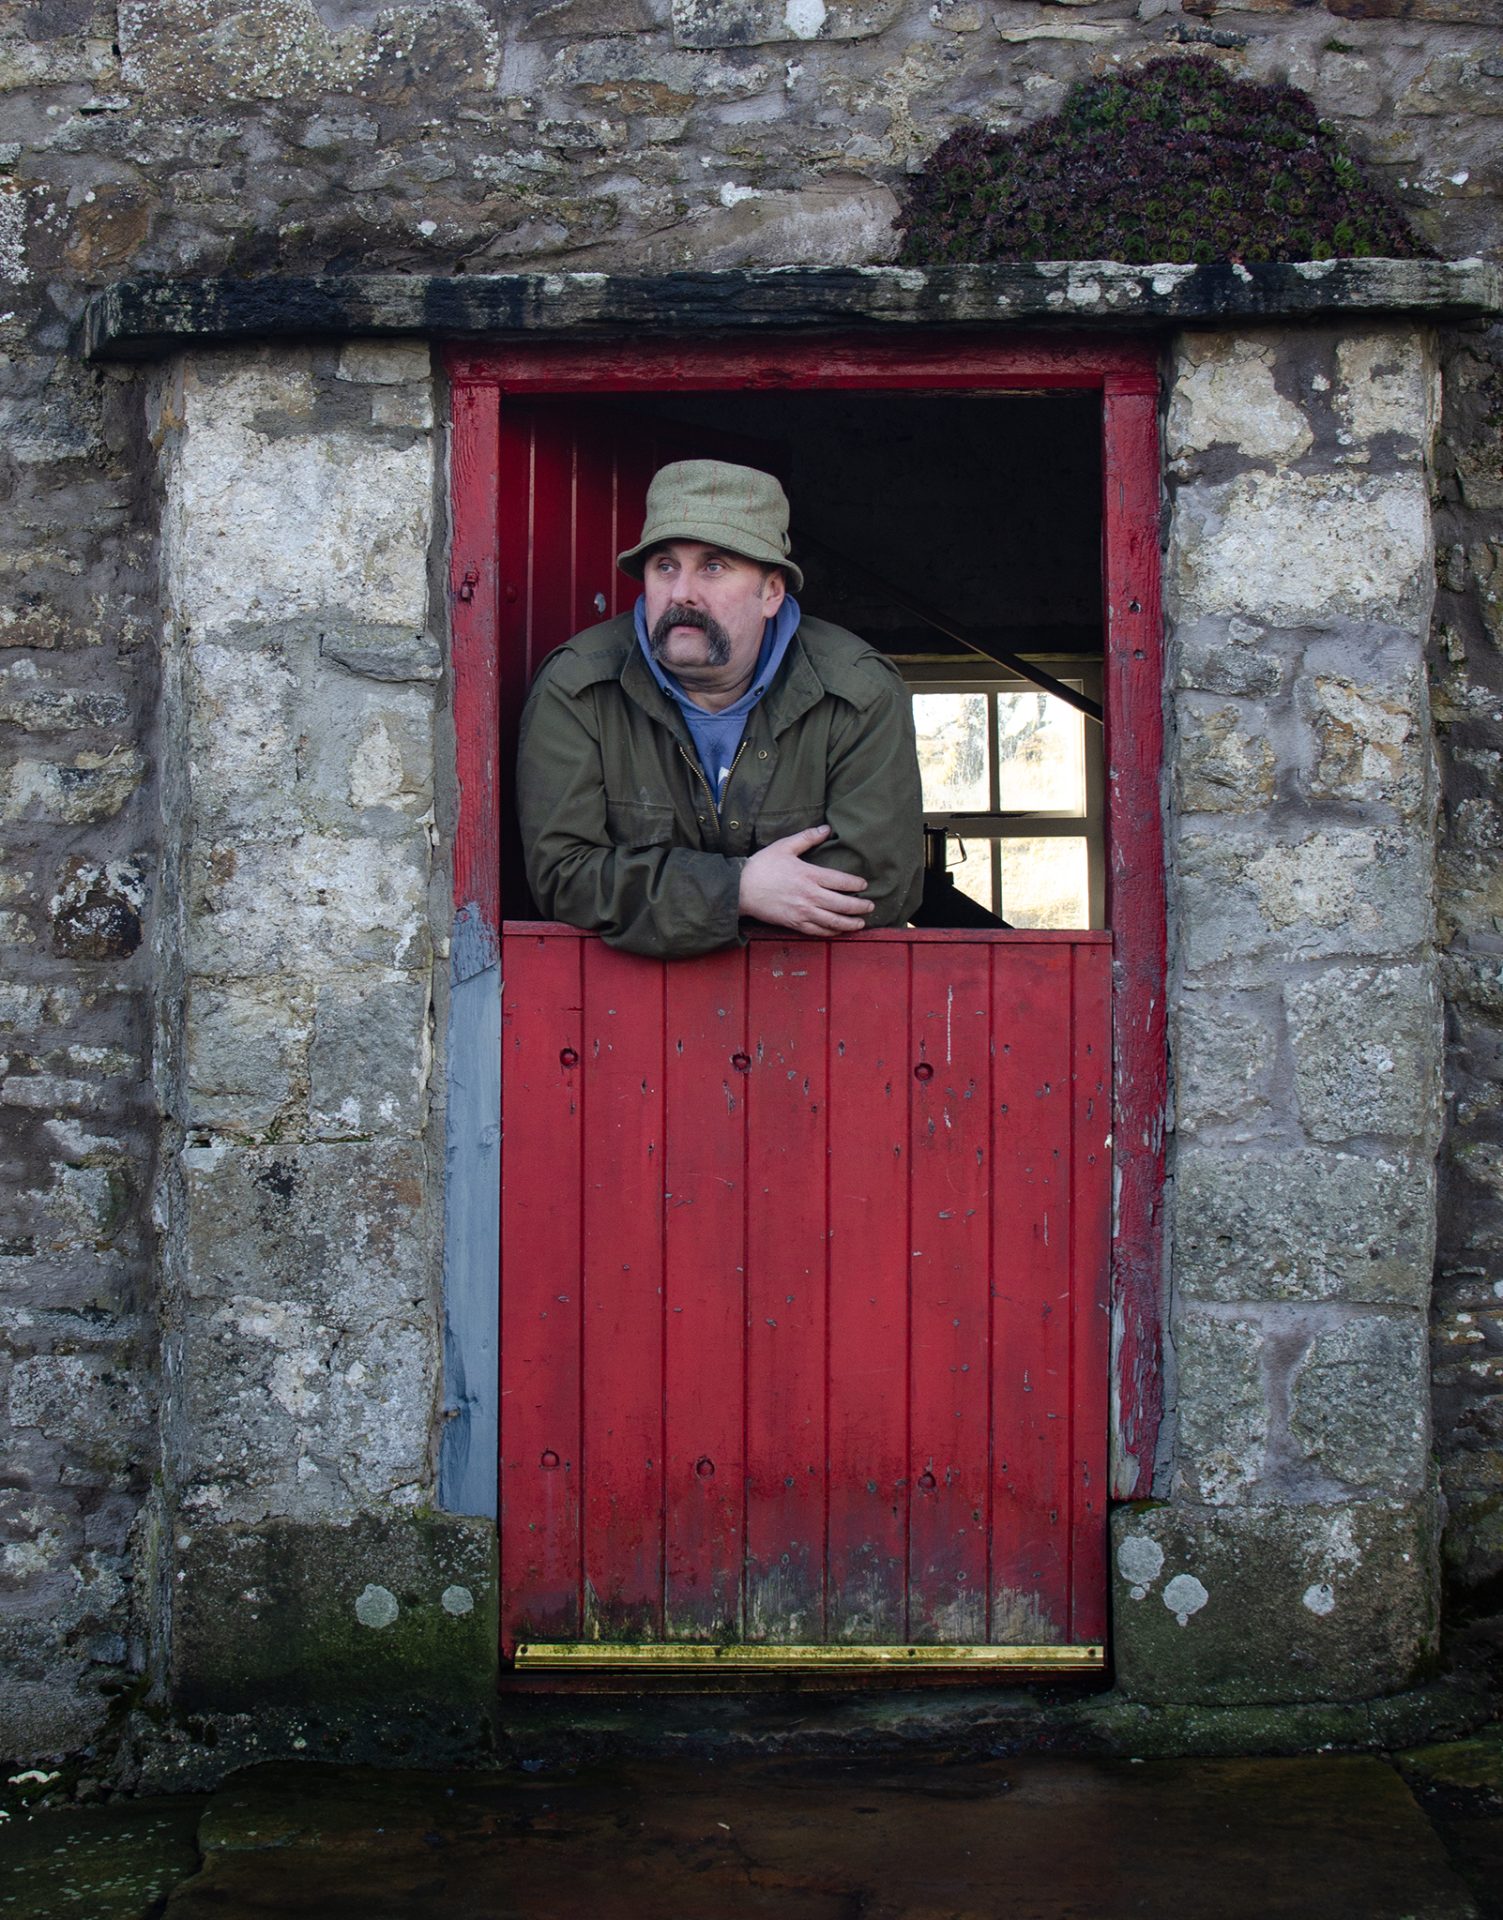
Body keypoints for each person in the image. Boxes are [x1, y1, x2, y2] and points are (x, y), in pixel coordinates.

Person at [516, 459, 924, 958]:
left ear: (771, 591)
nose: (681, 592)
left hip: (811, 1005)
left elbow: (874, 887)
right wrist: (741, 890)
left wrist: (669, 906)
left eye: (713, 566)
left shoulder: (858, 691)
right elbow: (562, 877)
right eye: (665, 565)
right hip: (624, 1011)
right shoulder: (579, 686)